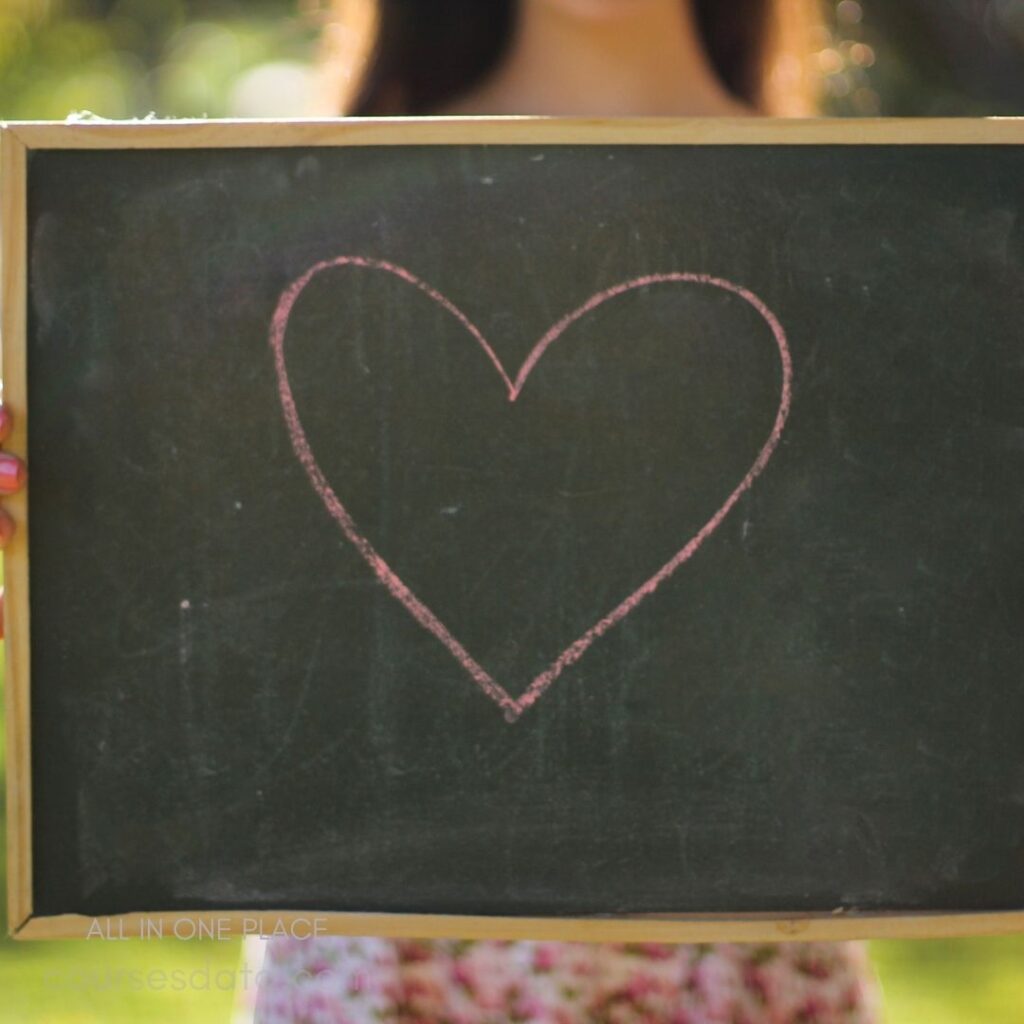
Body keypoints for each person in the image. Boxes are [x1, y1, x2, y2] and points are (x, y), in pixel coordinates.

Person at [238, 2, 887, 1022]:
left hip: (743, 936)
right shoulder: (280, 215)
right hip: (389, 940)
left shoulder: (897, 238)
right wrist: (71, 517)